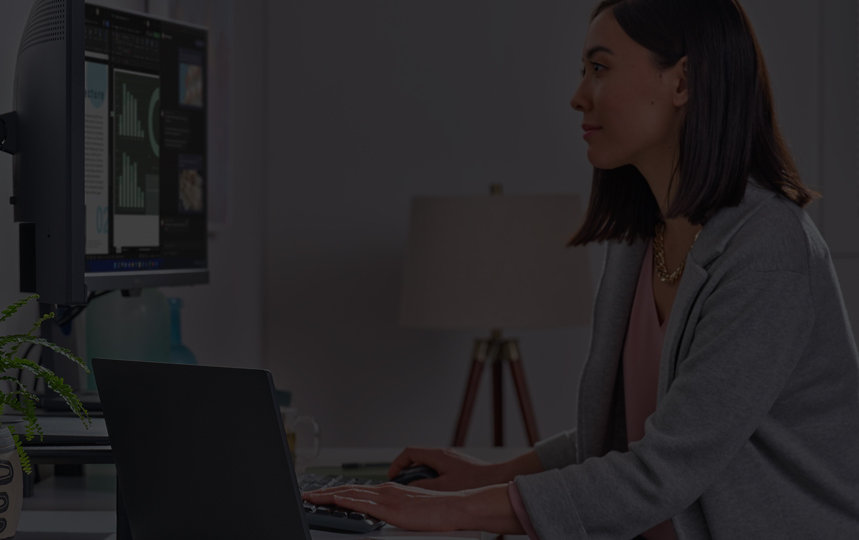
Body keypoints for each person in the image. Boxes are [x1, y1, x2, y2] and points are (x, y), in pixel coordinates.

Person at [304, 0, 859, 537]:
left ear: (683, 82)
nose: (577, 97)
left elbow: (662, 471)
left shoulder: (769, 251)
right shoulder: (643, 235)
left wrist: (447, 512)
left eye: (599, 69)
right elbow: (628, 433)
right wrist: (491, 474)